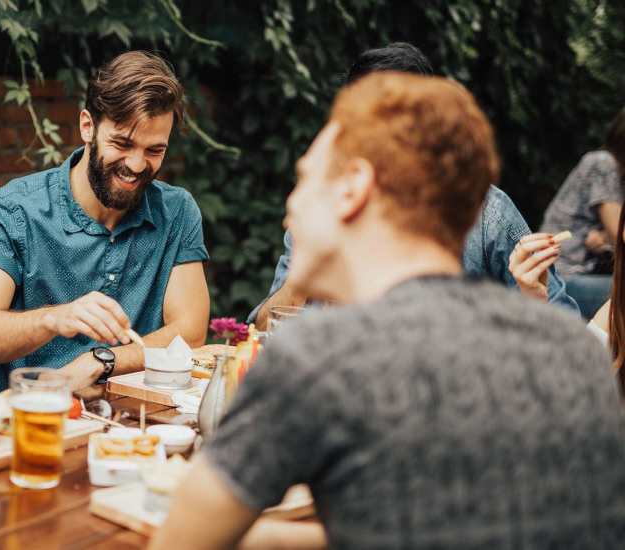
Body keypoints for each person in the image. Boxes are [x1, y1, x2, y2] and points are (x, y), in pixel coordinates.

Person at [151, 73, 625, 549]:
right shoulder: (576, 353)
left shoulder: (320, 356)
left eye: (304, 179)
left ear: (353, 187)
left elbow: (181, 544)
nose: (288, 210)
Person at [250, 43, 577, 328]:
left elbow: (565, 324)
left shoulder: (486, 210)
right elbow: (264, 332)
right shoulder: (323, 210)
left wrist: (531, 296)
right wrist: (304, 277)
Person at [0, 51, 210, 398]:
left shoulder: (176, 211)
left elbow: (189, 332)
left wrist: (100, 360)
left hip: (120, 425)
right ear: (87, 126)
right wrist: (54, 319)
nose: (136, 164)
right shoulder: (15, 209)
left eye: (154, 150)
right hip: (14, 422)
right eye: (122, 143)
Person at [539, 107, 625, 318]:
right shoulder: (603, 163)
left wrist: (603, 238)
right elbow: (620, 234)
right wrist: (609, 237)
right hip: (562, 277)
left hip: (582, 272)